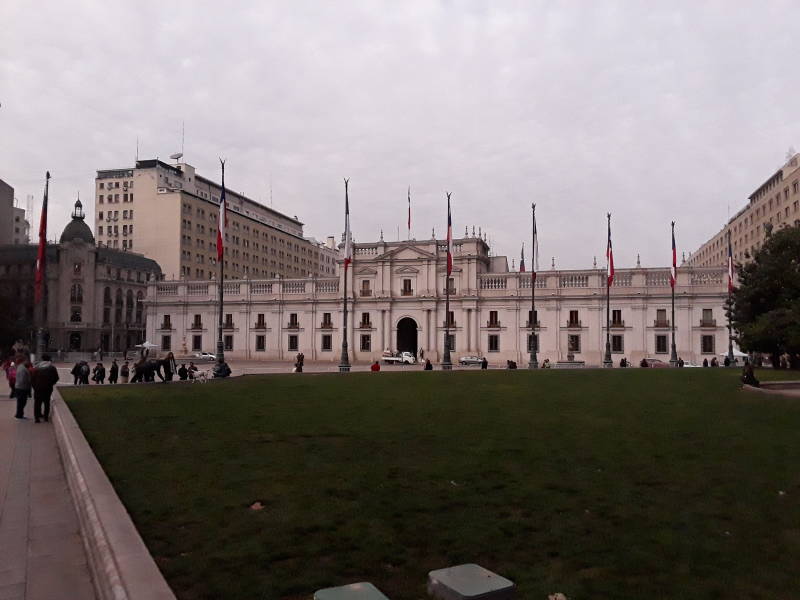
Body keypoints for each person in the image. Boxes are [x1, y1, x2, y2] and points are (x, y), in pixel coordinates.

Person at [32, 354, 59, 423]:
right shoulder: (52, 367)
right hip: (48, 388)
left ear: (42, 359)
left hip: (38, 388)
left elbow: (32, 379)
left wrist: (35, 386)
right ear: (49, 359)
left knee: (37, 403)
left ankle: (37, 418)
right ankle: (46, 417)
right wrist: (51, 383)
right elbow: (56, 378)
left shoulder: (37, 367)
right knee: (46, 402)